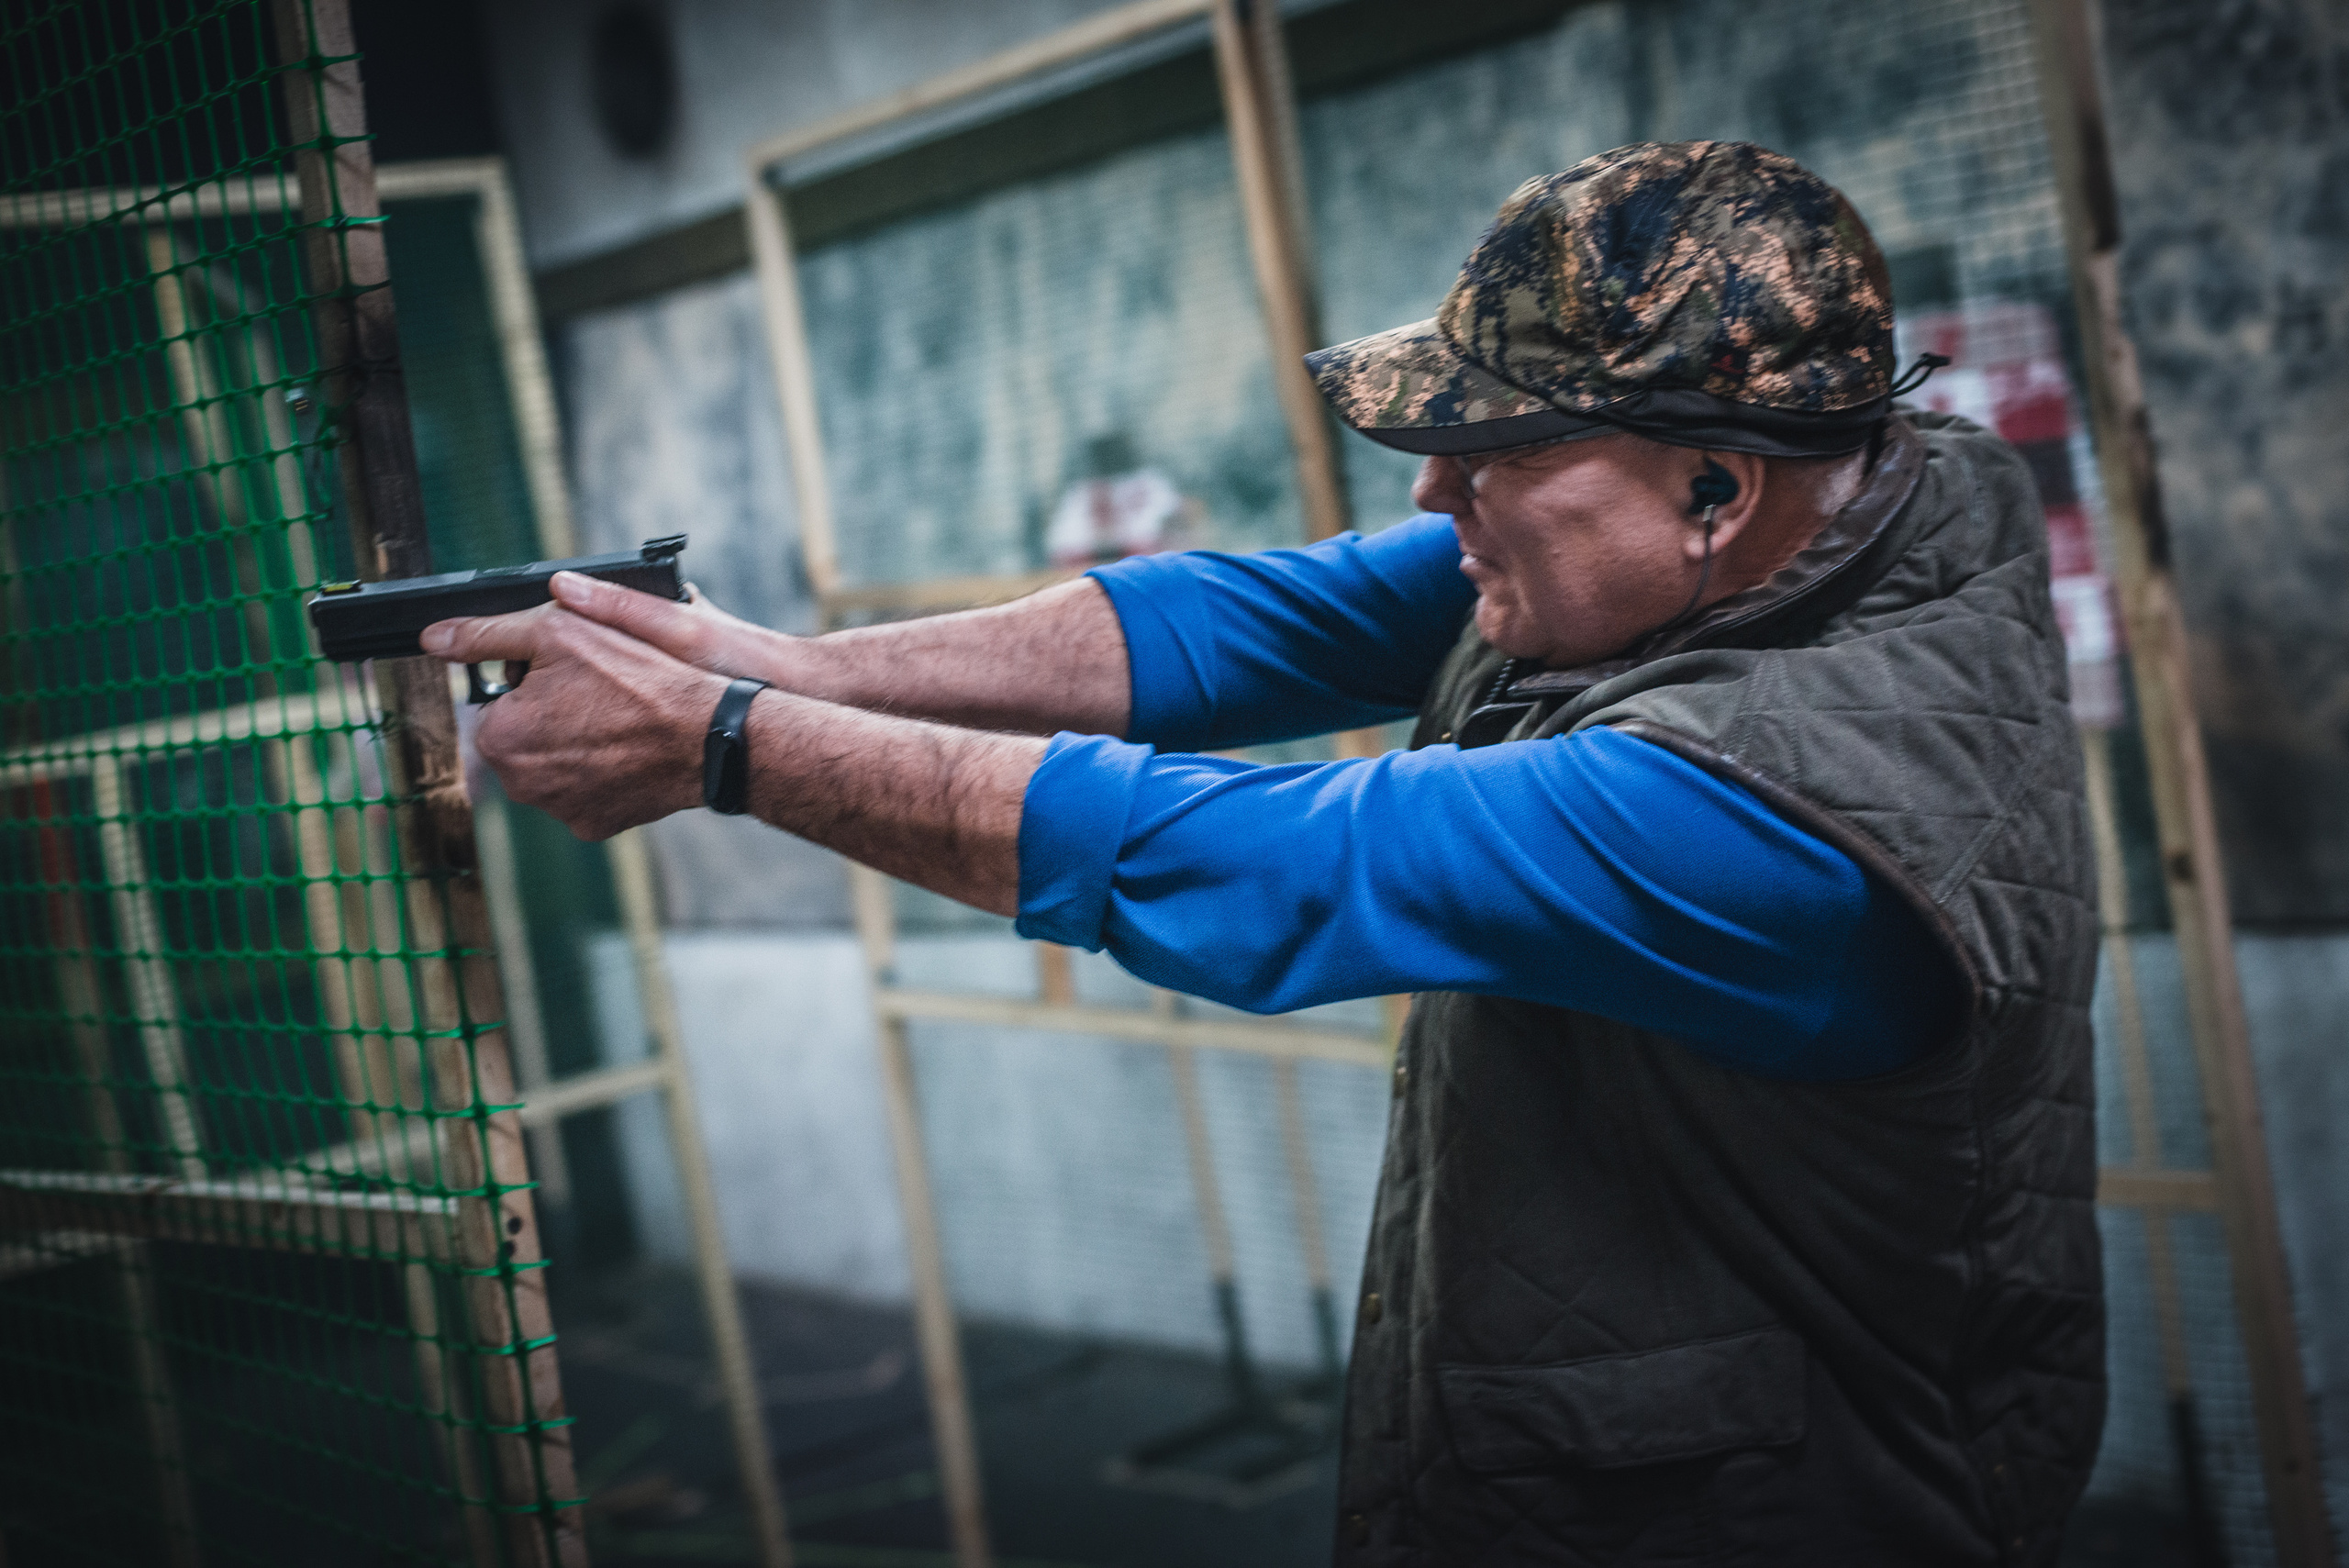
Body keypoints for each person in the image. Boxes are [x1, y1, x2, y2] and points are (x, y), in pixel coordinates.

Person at [428, 140, 2102, 1563]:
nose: (1436, 494)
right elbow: (1251, 622)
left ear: (1715, 491)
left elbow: (1285, 868)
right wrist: (781, 667)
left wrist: (726, 745)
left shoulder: (1791, 808)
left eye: (1498, 453)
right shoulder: (1816, 500)